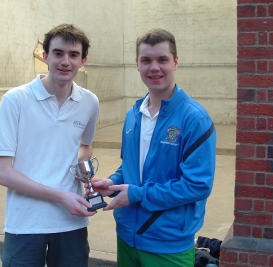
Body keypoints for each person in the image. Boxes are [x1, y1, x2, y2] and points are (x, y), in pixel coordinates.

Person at [91, 28, 217, 267]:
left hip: (168, 244)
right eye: (146, 60)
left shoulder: (195, 119)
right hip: (127, 237)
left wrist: (136, 194)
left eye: (162, 59)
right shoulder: (133, 115)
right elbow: (131, 166)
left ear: (176, 62)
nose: (154, 68)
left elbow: (197, 186)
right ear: (137, 64)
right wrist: (114, 181)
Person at [0, 23, 99, 267]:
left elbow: (85, 146)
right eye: (58, 53)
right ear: (45, 56)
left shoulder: (89, 102)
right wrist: (61, 196)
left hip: (72, 222)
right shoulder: (15, 100)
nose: (65, 61)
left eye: (73, 55)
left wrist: (83, 170)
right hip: (25, 223)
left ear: (83, 60)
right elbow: (1, 172)